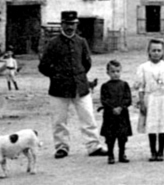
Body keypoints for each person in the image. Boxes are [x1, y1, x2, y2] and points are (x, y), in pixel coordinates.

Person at [38, 11, 108, 159]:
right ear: (62, 24)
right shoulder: (53, 43)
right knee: (59, 120)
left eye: (73, 24)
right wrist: (57, 76)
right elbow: (43, 66)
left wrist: (79, 76)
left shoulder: (81, 42)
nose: (70, 27)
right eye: (67, 24)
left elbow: (86, 63)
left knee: (88, 117)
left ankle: (93, 146)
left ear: (76, 25)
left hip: (80, 87)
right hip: (58, 88)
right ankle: (61, 147)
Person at [135, 38, 164, 162]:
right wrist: (141, 103)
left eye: (159, 50)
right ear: (148, 52)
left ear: (163, 52)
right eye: (153, 50)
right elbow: (140, 87)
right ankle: (153, 152)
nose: (156, 53)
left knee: (162, 126)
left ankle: (161, 151)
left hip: (163, 98)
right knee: (151, 126)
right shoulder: (144, 67)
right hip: (150, 98)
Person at [100, 60, 132, 164]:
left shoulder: (124, 85)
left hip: (122, 115)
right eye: (112, 71)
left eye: (117, 71)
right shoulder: (105, 86)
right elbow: (104, 100)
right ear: (108, 73)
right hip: (110, 116)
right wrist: (112, 108)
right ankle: (110, 155)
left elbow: (128, 99)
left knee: (122, 137)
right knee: (110, 137)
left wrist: (121, 107)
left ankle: (122, 154)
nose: (115, 74)